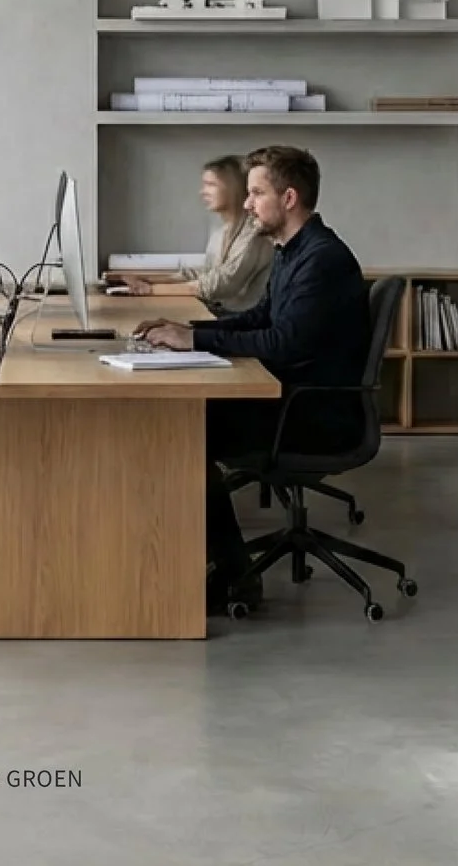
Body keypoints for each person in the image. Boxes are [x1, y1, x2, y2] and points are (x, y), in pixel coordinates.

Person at [133, 145, 368, 613]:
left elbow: (283, 343)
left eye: (257, 192)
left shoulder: (322, 259)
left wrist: (195, 343)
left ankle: (235, 577)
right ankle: (202, 563)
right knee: (184, 421)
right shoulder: (292, 251)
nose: (246, 203)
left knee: (183, 430)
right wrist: (189, 332)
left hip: (314, 414)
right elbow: (260, 317)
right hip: (294, 398)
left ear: (289, 198)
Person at [104, 155, 273, 315]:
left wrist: (150, 290)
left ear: (232, 187)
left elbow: (221, 285)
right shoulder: (221, 231)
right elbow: (205, 273)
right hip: (219, 312)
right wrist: (144, 279)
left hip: (238, 319)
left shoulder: (254, 233)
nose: (203, 192)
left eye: (211, 184)